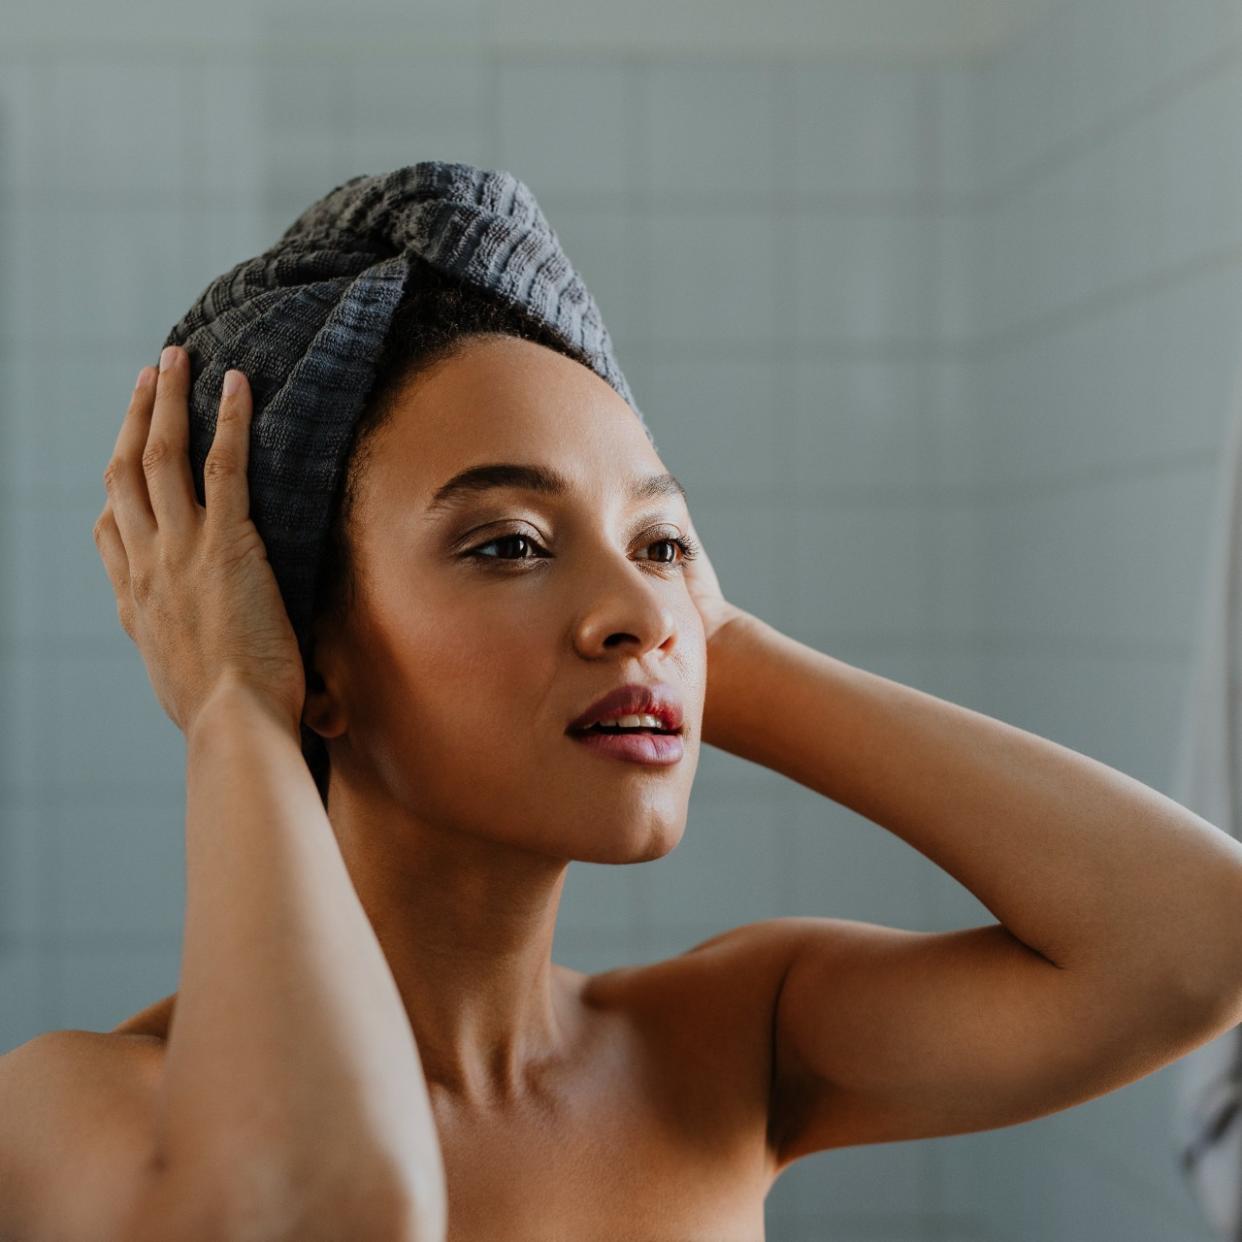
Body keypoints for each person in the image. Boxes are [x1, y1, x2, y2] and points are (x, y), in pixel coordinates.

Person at [7, 168, 1242, 1242]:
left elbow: (1194, 943)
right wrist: (234, 702)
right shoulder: (76, 1118)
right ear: (303, 651)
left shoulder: (724, 1049)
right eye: (507, 543)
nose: (639, 607)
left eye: (660, 540)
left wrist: (720, 648)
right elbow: (325, 1209)